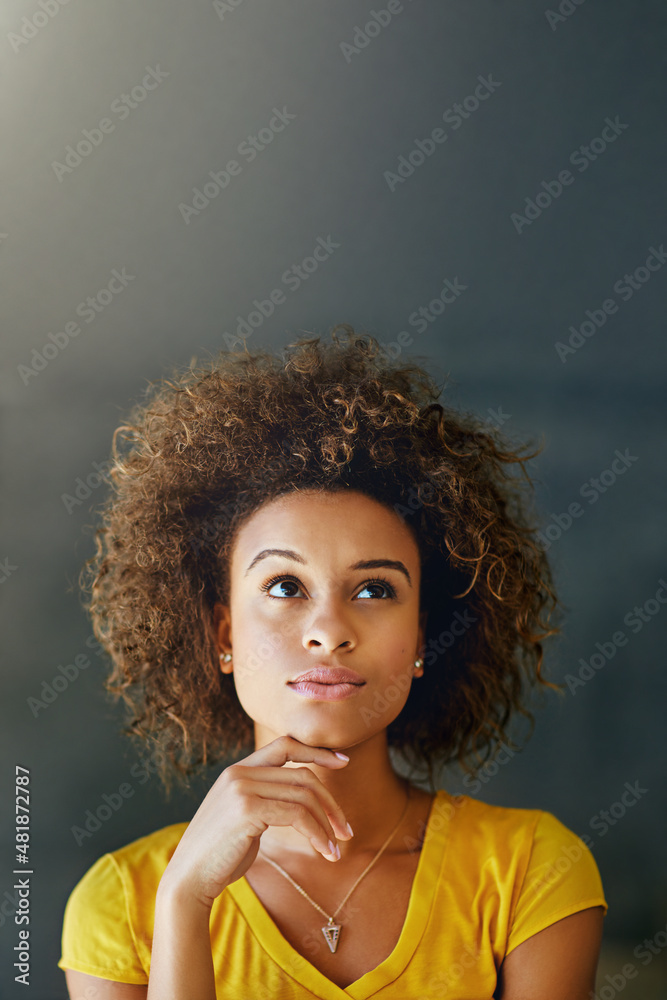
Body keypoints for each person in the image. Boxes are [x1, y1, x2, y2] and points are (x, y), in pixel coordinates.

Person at [58, 325, 607, 999]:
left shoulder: (529, 869)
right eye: (284, 588)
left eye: (374, 590)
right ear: (222, 633)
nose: (328, 631)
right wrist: (186, 899)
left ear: (421, 640)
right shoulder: (124, 900)